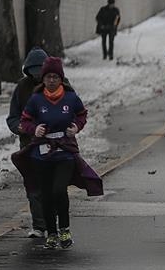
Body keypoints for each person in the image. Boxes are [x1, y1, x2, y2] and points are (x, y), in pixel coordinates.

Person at [14, 57, 101, 249]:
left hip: (65, 152)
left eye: (55, 77)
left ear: (61, 79)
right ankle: (51, 233)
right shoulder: (36, 99)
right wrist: (34, 130)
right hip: (42, 154)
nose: (51, 80)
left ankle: (65, 229)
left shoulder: (70, 98)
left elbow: (82, 114)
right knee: (45, 194)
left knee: (59, 190)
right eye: (48, 77)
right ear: (43, 79)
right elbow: (25, 120)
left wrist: (76, 128)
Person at [6, 47, 50, 238]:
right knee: (33, 185)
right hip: (29, 145)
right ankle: (39, 225)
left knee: (52, 185)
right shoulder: (22, 88)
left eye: (41, 70)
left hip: (55, 145)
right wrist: (20, 127)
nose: (38, 74)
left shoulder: (59, 84)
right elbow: (13, 117)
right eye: (34, 70)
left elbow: (73, 109)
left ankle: (55, 223)